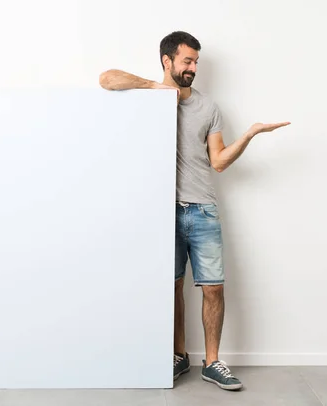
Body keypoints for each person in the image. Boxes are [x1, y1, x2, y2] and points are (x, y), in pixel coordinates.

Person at [98, 31, 290, 391]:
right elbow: (106, 79)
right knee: (171, 287)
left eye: (196, 62)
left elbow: (218, 162)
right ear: (167, 61)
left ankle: (212, 362)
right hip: (162, 211)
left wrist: (249, 135)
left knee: (213, 288)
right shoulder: (146, 98)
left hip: (202, 210)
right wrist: (154, 88)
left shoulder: (208, 107)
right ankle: (178, 356)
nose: (193, 68)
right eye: (187, 61)